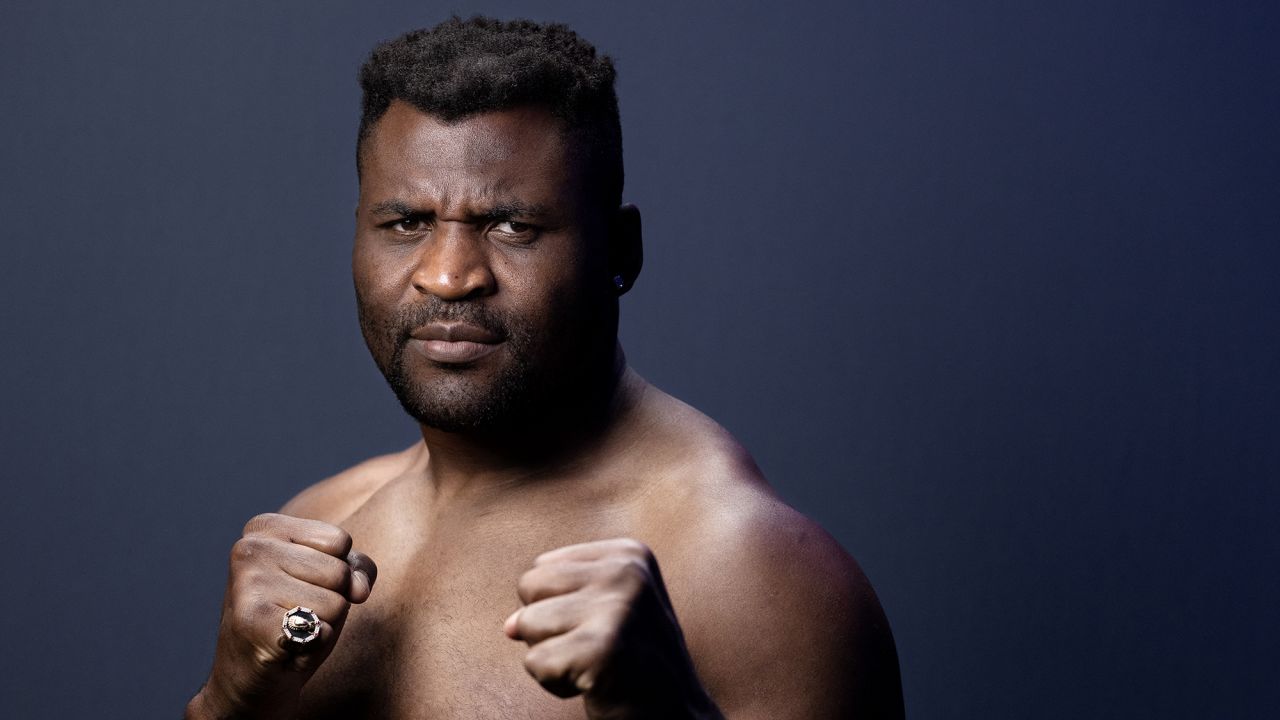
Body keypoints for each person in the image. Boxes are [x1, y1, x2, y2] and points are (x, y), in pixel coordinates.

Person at [185, 16, 903, 720]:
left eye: (513, 225)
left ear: (619, 252)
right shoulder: (320, 525)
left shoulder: (747, 571)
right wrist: (229, 704)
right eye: (407, 223)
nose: (447, 274)